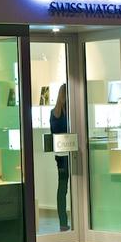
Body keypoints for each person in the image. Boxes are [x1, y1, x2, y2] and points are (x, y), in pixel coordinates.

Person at [49, 84, 70, 232]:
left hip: (59, 156)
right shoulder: (70, 112)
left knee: (62, 188)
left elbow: (53, 133)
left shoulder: (53, 113)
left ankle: (63, 222)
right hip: (71, 155)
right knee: (76, 186)